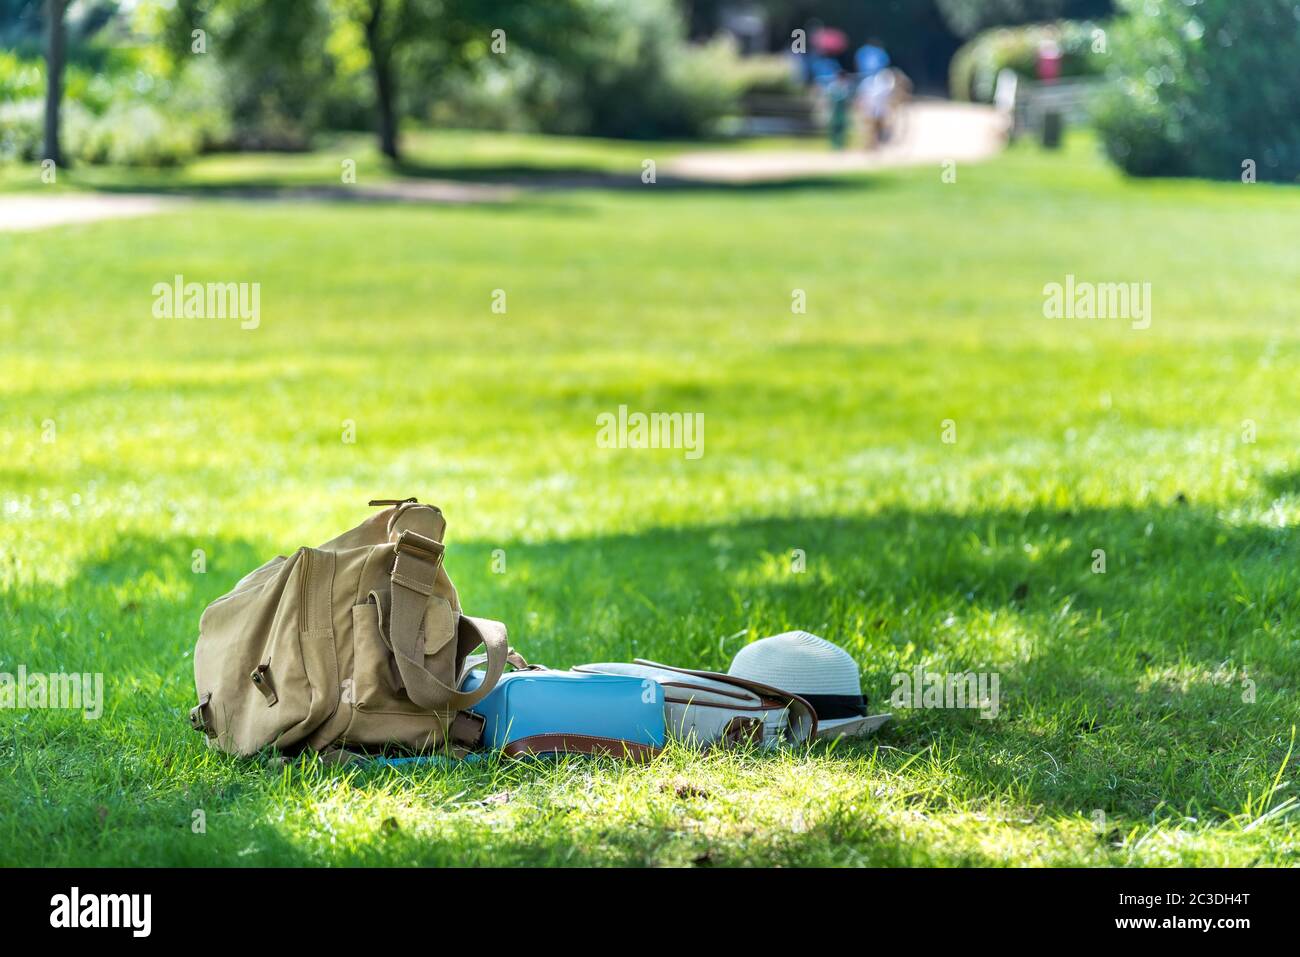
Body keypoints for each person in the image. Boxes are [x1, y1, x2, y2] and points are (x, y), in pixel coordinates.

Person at [827, 69, 854, 150]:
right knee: (834, 129)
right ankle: (834, 146)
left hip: (843, 111)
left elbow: (848, 101)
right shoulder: (833, 86)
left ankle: (840, 146)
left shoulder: (847, 86)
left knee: (842, 129)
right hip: (835, 111)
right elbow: (830, 100)